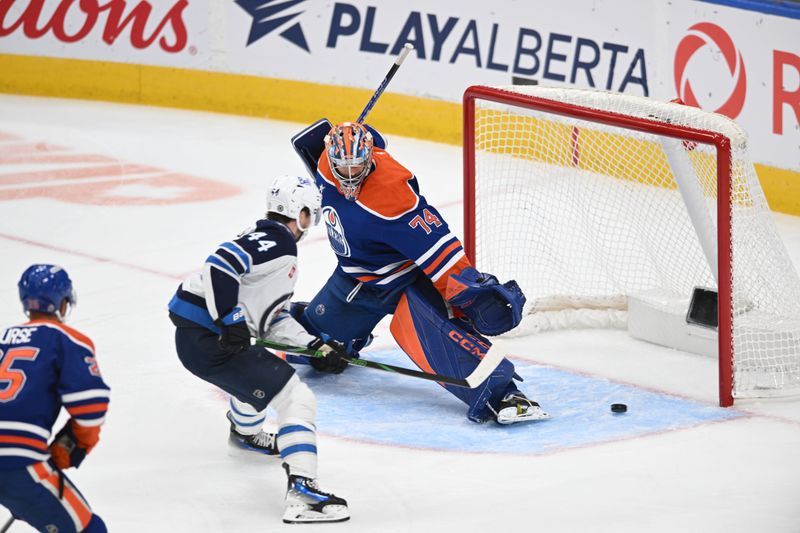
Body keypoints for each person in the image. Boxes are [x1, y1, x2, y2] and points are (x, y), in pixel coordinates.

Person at [291, 121, 548, 425]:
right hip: (355, 278)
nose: (349, 175)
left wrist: (468, 289)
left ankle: (504, 395)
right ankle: (349, 336)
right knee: (311, 349)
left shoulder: (392, 196)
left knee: (437, 338)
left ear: (369, 158)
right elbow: (334, 142)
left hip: (402, 281)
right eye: (342, 167)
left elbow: (439, 248)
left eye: (357, 166)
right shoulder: (323, 162)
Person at [167, 174, 350, 524]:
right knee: (297, 399)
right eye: (311, 213)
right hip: (209, 339)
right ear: (300, 212)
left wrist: (316, 347)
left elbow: (272, 321)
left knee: (261, 372)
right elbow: (220, 263)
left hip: (199, 339)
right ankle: (303, 494)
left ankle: (246, 433)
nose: (312, 222)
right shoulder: (277, 239)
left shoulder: (273, 241)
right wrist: (231, 318)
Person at [0, 264, 109, 532]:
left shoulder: (3, 339)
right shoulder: (66, 340)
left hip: (13, 460)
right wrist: (71, 446)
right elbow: (91, 405)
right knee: (89, 529)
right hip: (17, 461)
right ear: (62, 302)